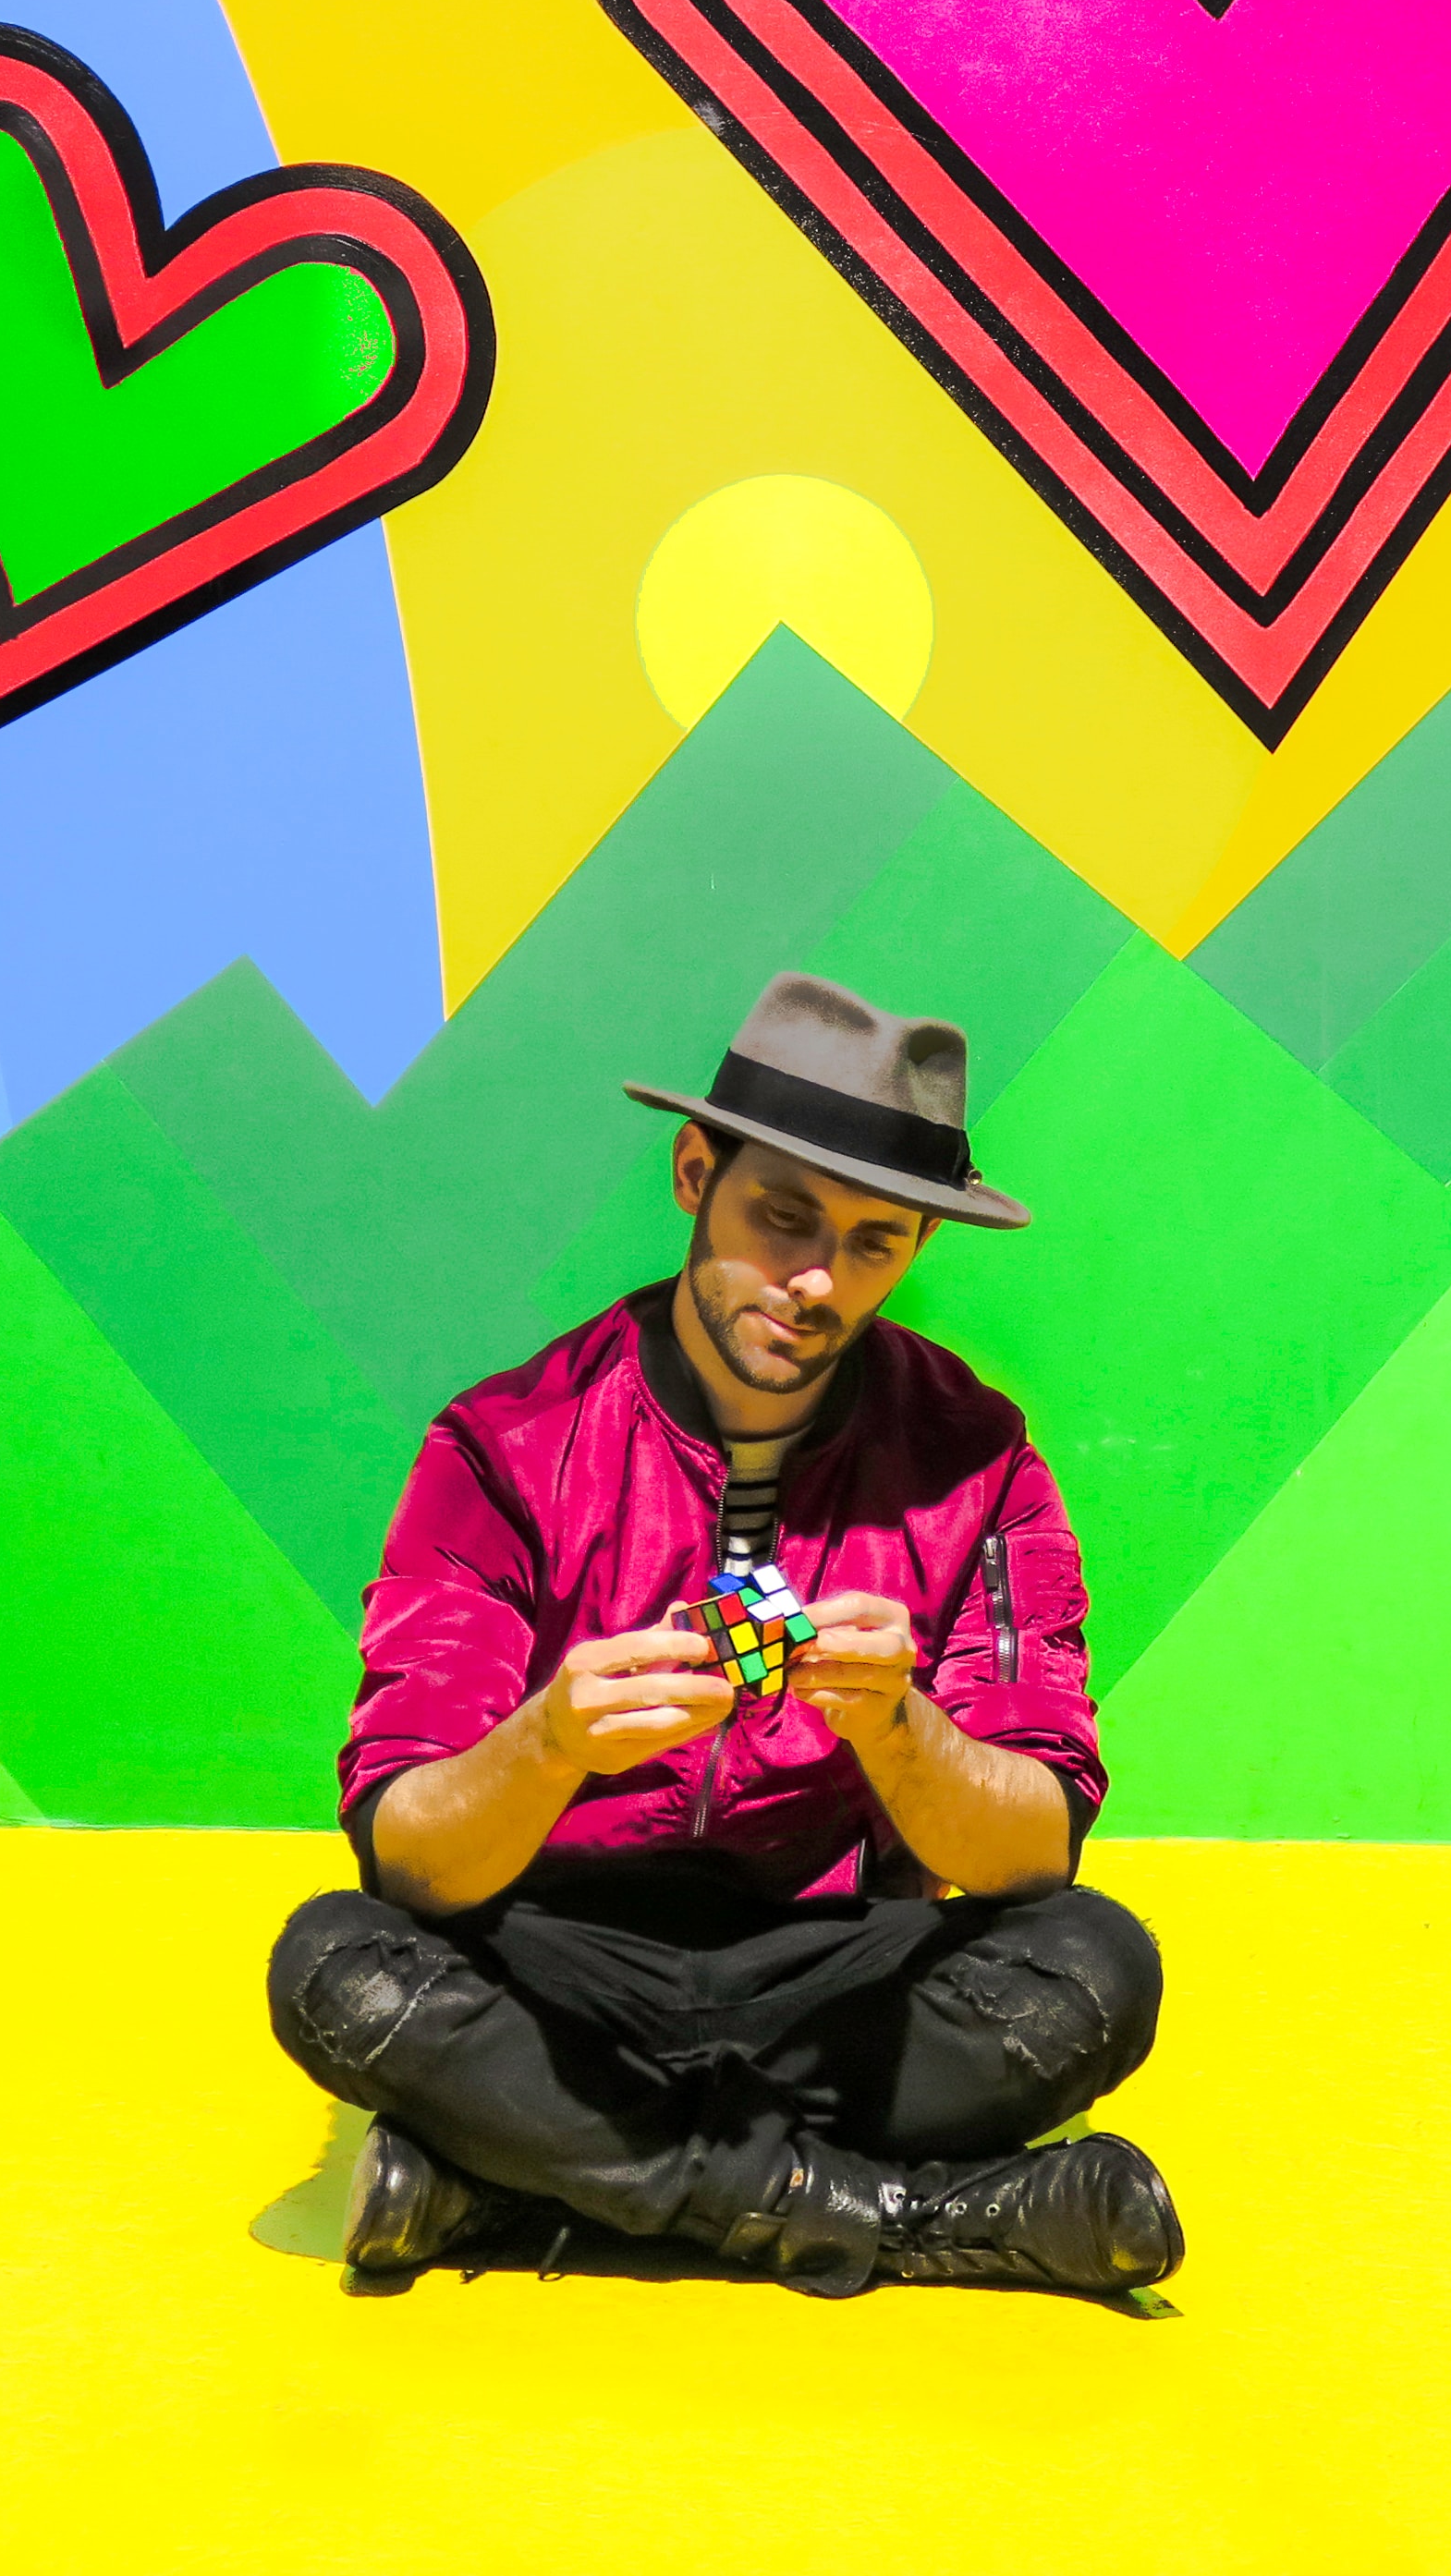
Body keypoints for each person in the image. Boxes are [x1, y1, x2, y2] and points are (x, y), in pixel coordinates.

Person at [263, 972, 1183, 2298]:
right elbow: (406, 1855)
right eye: (782, 1217)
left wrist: (900, 1729)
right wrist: (548, 1742)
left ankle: (517, 2179)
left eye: (875, 1243)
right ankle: (898, 2215)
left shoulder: (976, 1461)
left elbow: (1034, 1849)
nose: (815, 1281)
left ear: (919, 1246)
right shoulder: (504, 1444)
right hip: (550, 1970)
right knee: (335, 1964)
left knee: (1097, 1968)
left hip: (834, 1979)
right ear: (696, 1172)